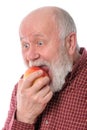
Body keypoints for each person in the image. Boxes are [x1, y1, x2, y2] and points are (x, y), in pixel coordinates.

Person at [2, 6, 87, 130]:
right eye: (26, 45)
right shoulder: (22, 90)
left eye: (40, 43)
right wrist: (23, 117)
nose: (30, 56)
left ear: (70, 42)